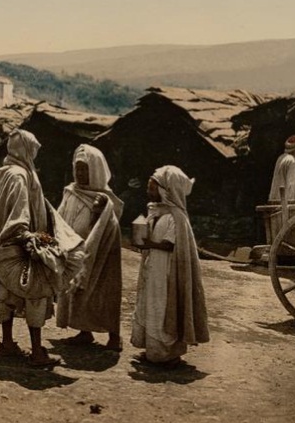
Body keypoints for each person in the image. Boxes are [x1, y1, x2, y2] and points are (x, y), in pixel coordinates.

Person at [0, 130, 86, 368]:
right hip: (22, 245)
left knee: (6, 294)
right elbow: (19, 215)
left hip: (4, 245)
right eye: (33, 150)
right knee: (36, 293)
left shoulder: (4, 173)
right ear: (26, 150)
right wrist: (32, 237)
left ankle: (7, 343)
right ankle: (37, 351)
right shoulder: (19, 176)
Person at [130, 166, 210, 367]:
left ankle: (167, 354)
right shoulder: (157, 212)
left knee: (165, 308)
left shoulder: (176, 217)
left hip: (167, 271)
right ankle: (152, 350)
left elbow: (170, 244)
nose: (149, 192)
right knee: (152, 305)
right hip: (154, 268)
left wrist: (149, 244)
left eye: (153, 188)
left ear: (166, 190)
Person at [56, 145, 124, 351]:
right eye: (78, 168)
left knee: (104, 291)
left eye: (85, 168)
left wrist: (97, 213)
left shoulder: (104, 198)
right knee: (78, 291)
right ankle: (84, 332)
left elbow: (105, 224)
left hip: (100, 250)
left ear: (95, 170)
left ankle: (114, 336)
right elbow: (60, 216)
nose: (80, 173)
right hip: (75, 249)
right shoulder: (71, 192)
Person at [268, 134, 295, 203]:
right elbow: (292, 187)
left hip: (275, 202)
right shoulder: (293, 161)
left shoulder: (281, 158)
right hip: (285, 205)